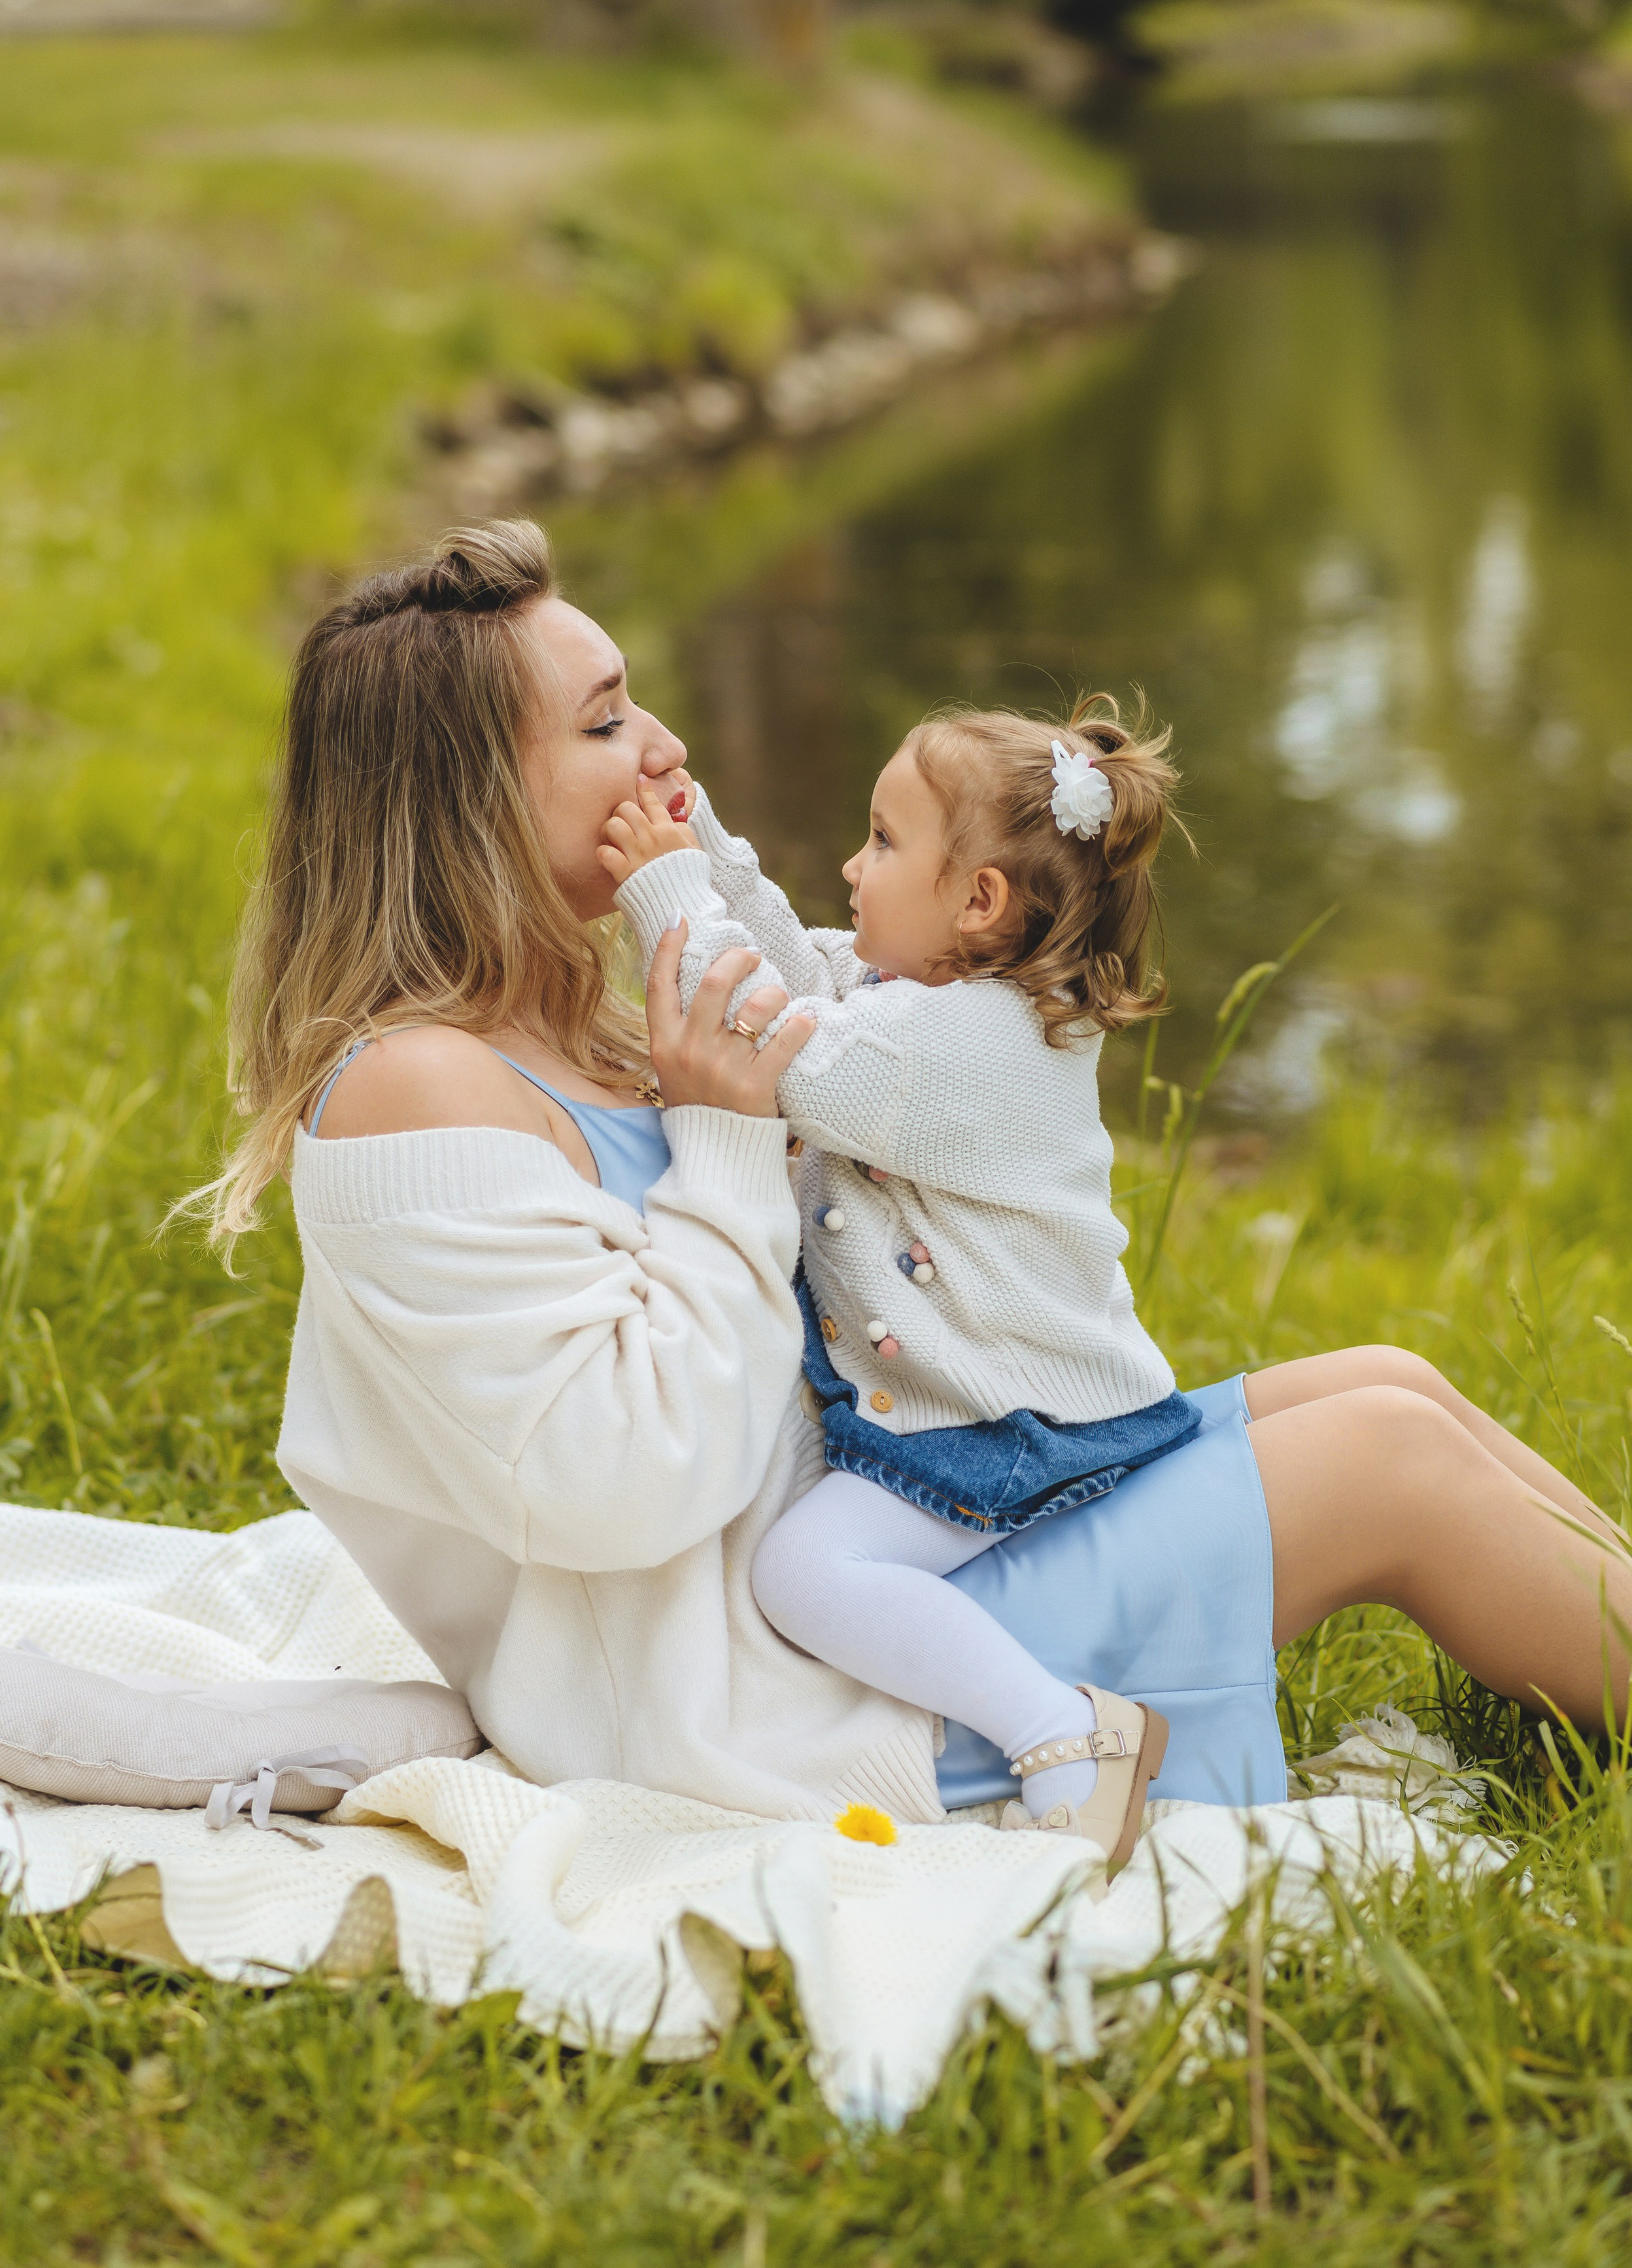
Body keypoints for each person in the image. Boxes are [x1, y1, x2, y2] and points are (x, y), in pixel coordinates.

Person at [200, 517, 1632, 1844]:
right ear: (467, 795)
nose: (664, 745)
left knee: (1379, 1382)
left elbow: (806, 1042)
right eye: (606, 720)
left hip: (921, 1517)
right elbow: (620, 1486)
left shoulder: (581, 1023)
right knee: (1390, 1466)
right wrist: (722, 1137)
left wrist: (716, 1026)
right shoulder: (417, 1090)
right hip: (799, 1674)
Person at [598, 704, 1200, 1866]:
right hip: (989, 1403)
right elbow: (785, 957)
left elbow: (771, 1039)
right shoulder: (923, 1001)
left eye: (881, 842)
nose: (850, 865)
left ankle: (1068, 1739)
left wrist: (667, 896)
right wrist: (694, 824)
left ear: (977, 902)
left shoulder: (968, 1045)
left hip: (1016, 1421)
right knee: (810, 1563)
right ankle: (1063, 1732)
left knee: (807, 1573)